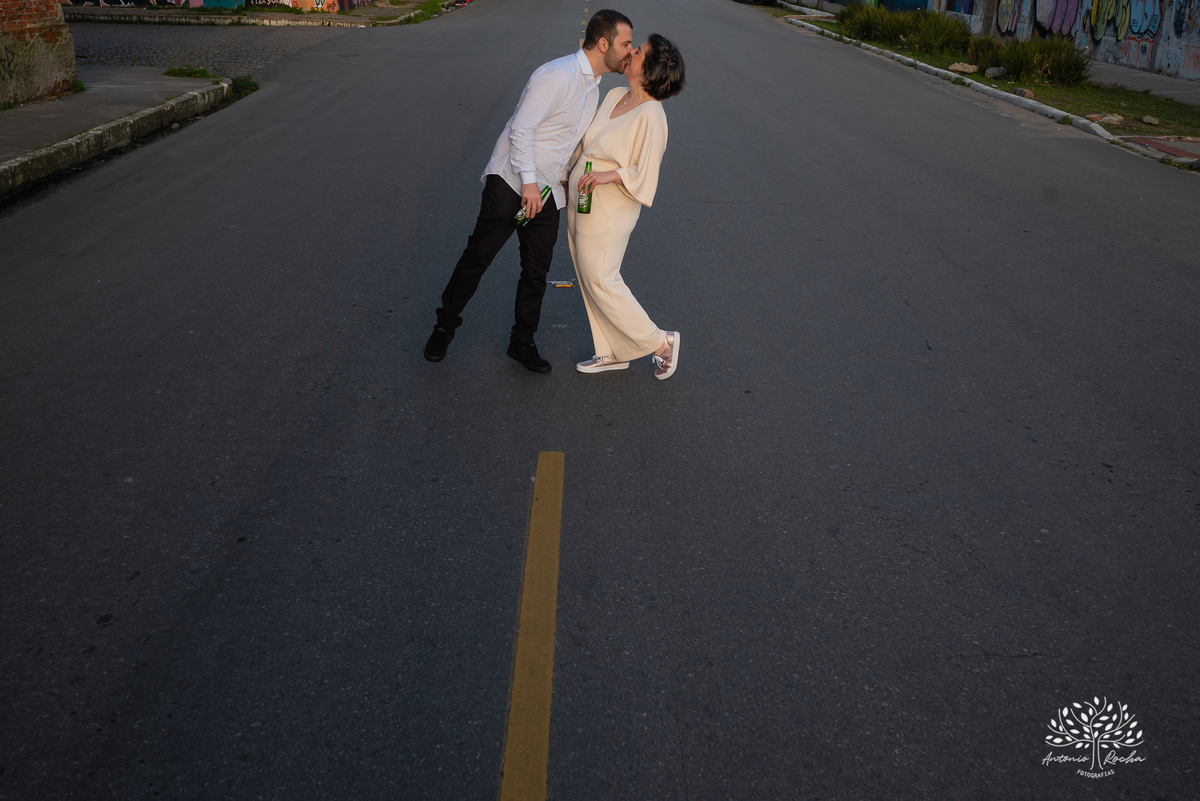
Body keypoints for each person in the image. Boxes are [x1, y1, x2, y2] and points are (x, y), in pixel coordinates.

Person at [423, 10, 635, 373]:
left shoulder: (592, 88)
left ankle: (521, 343)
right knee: (478, 258)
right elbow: (521, 129)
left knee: (536, 272)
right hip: (511, 182)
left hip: (548, 190)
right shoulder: (557, 75)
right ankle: (444, 327)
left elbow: (564, 141)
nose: (630, 50)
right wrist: (530, 184)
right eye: (626, 43)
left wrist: (563, 178)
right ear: (604, 44)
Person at [567, 34, 686, 380]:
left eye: (638, 52)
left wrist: (609, 175)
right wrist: (567, 174)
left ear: (648, 73)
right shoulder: (616, 95)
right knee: (588, 278)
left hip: (610, 209)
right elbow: (587, 142)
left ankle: (660, 343)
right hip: (583, 198)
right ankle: (610, 352)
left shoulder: (652, 115)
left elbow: (645, 173)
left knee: (602, 278)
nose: (630, 53)